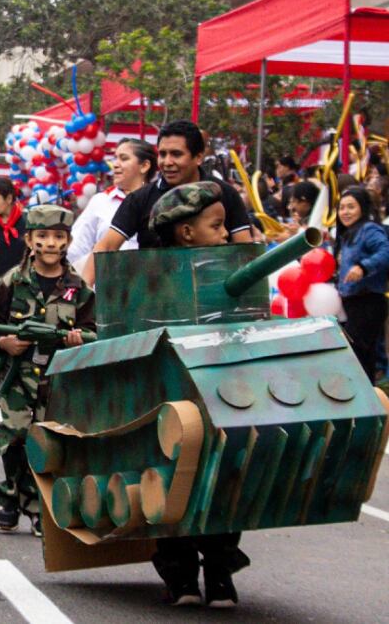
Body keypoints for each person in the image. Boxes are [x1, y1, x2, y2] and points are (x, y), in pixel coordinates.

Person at [146, 181, 247, 607]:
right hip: (169, 393)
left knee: (226, 476)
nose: (225, 234)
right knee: (173, 480)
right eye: (216, 225)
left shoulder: (230, 270)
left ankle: (220, 570)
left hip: (222, 389)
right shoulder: (151, 274)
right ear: (186, 232)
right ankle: (181, 574)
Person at [0, 205, 94, 538]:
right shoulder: (12, 281)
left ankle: (37, 506)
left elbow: (92, 328)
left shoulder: (78, 287)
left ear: (68, 241)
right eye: (42, 236)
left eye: (58, 236)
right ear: (29, 240)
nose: (50, 243)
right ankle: (10, 497)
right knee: (15, 435)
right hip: (17, 375)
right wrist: (4, 342)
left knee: (47, 442)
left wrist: (77, 340)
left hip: (57, 378)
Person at [83, 120, 253, 285]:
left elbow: (246, 254)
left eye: (176, 154)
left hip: (214, 294)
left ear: (198, 157)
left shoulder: (226, 194)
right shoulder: (139, 199)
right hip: (156, 296)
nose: (167, 162)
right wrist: (81, 295)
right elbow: (106, 247)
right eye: (162, 154)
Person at [67, 138, 157, 272]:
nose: (115, 164)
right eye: (115, 158)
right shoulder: (101, 201)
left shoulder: (159, 202)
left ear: (144, 166)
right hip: (106, 282)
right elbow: (75, 248)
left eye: (124, 158)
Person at [335, 186, 389, 383]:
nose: (345, 212)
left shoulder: (369, 229)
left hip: (368, 301)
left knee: (356, 353)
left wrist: (363, 267)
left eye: (351, 207)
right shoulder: (348, 234)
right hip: (352, 303)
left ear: (363, 208)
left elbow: (385, 251)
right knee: (362, 357)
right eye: (342, 208)